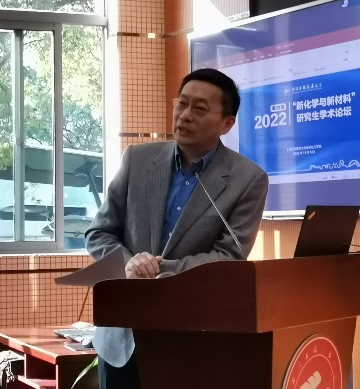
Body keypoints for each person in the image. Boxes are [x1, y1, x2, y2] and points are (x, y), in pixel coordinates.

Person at [86, 68, 270, 389]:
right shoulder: (137, 160)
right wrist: (129, 263)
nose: (184, 115)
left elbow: (229, 257)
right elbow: (99, 233)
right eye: (181, 103)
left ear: (227, 123)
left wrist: (159, 270)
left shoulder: (247, 179)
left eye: (199, 109)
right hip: (123, 337)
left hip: (192, 338)